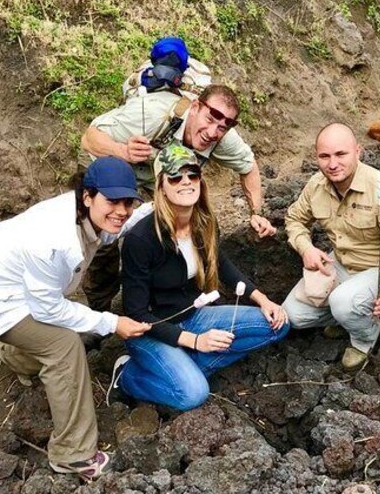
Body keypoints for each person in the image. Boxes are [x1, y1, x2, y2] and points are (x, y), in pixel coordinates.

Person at [0, 157, 152, 480]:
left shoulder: (85, 215)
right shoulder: (55, 241)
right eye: (113, 201)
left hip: (5, 282)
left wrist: (156, 206)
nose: (121, 210)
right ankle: (73, 454)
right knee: (65, 345)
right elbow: (48, 310)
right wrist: (112, 322)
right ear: (87, 196)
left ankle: (15, 356)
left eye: (129, 202)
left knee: (62, 329)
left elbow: (116, 227)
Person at [115, 143, 289, 410]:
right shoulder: (141, 239)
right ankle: (128, 377)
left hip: (194, 315)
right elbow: (136, 312)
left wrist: (264, 300)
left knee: (279, 324)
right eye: (175, 176)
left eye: (192, 174)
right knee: (194, 394)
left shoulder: (204, 222)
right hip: (151, 330)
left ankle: (187, 364)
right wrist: (196, 341)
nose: (185, 182)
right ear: (161, 186)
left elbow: (221, 264)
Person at [81, 82, 276, 312]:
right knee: (104, 239)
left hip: (162, 181)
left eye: (224, 126)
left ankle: (161, 298)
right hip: (113, 166)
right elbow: (89, 138)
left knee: (173, 224)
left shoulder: (221, 138)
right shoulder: (153, 113)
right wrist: (123, 151)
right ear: (195, 107)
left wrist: (256, 213)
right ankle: (100, 310)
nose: (213, 132)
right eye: (210, 119)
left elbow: (248, 166)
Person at [282, 123, 380, 370]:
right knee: (293, 315)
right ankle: (348, 316)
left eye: (340, 154)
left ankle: (364, 337)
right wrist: (306, 248)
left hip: (379, 269)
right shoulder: (316, 186)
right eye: (324, 156)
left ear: (358, 151)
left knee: (344, 302)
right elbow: (294, 219)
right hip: (340, 263)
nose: (332, 164)